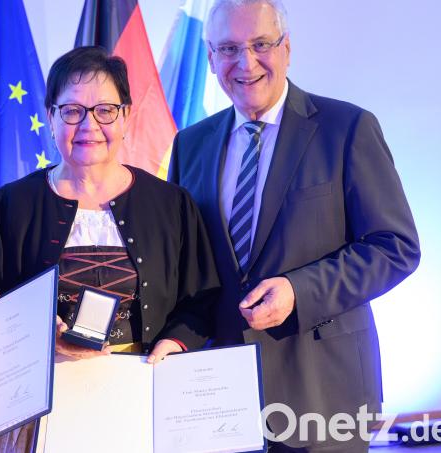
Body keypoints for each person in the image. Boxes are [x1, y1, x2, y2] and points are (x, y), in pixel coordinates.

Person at [168, 1, 420, 451]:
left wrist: (298, 291)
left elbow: (394, 247)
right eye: (228, 49)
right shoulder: (190, 145)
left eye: (261, 44)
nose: (245, 63)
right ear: (210, 58)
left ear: (287, 48)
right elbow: (186, 270)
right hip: (222, 405)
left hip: (325, 396)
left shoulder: (347, 128)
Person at [0, 46, 220, 452]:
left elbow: (202, 299)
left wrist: (174, 342)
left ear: (125, 117)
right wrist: (37, 334)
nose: (89, 125)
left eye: (105, 110)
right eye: (72, 111)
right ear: (50, 116)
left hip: (139, 403)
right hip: (36, 409)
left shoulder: (171, 204)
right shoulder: (10, 206)